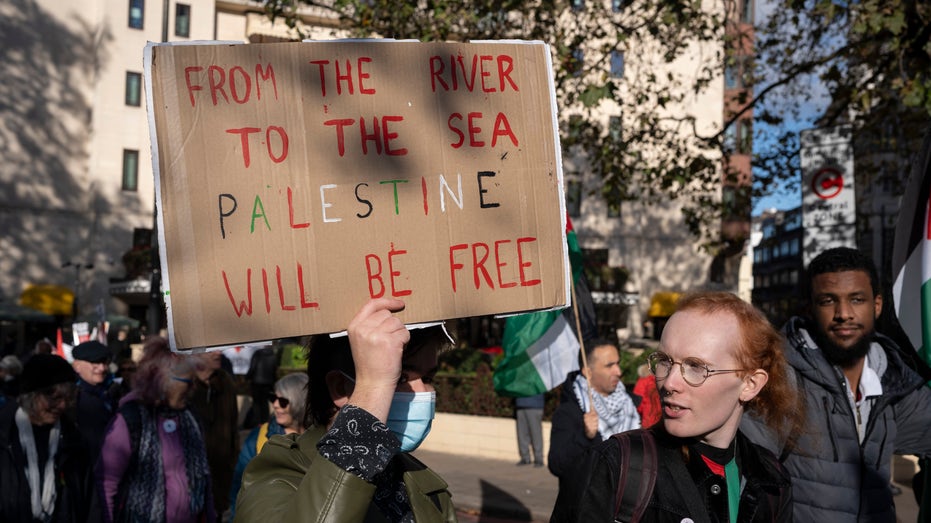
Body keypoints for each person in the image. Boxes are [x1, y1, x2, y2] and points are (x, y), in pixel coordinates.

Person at [551, 291, 796, 522]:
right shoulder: (615, 465)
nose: (669, 382)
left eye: (696, 367)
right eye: (664, 361)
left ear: (750, 384)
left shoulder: (772, 482)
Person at [741, 246, 931, 521]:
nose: (844, 313)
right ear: (810, 308)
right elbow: (741, 475)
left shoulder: (893, 381)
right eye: (828, 300)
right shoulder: (781, 377)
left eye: (856, 299)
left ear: (877, 305)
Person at [235, 298, 457, 521]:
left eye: (427, 378)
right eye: (400, 377)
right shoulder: (277, 475)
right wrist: (373, 387)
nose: (422, 392)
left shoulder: (425, 486)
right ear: (340, 387)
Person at [96, 336, 214, 522]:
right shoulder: (132, 419)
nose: (192, 389)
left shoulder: (189, 416)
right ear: (162, 379)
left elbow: (204, 478)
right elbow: (107, 483)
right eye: (188, 383)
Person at [0, 353, 101, 522]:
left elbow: (89, 500)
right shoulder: (4, 435)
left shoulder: (73, 440)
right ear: (30, 395)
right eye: (53, 398)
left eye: (67, 398)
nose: (61, 405)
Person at [548, 340, 640, 494]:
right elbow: (557, 465)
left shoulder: (633, 405)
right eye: (609, 365)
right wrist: (585, 437)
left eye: (618, 363)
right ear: (588, 372)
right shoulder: (569, 411)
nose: (618, 371)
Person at [228, 372, 308, 519]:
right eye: (273, 398)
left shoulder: (320, 438)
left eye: (283, 401)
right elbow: (239, 489)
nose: (276, 405)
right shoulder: (258, 437)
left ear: (301, 403)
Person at [189, 350, 240, 521]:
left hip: (220, 471)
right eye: (210, 348)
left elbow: (233, 427)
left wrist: (233, 462)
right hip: (191, 475)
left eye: (218, 347)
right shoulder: (185, 384)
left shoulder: (225, 382)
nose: (218, 352)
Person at [72, 340, 121, 460]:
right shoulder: (72, 397)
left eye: (105, 362)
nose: (102, 368)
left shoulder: (114, 392)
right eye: (95, 362)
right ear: (77, 366)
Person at [244, 343, 279, 429]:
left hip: (256, 382)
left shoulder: (257, 353)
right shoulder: (273, 356)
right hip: (268, 383)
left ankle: (257, 423)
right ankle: (265, 422)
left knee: (256, 403)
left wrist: (247, 378)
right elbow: (274, 371)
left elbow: (252, 367)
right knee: (264, 403)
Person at [514, 392, 545, 467]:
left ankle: (538, 458)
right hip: (520, 404)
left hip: (535, 405)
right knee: (522, 433)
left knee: (536, 434)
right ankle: (525, 457)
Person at [632, 363, 662, 427]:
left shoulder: (641, 382)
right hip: (660, 416)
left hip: (648, 416)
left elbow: (638, 401)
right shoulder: (656, 380)